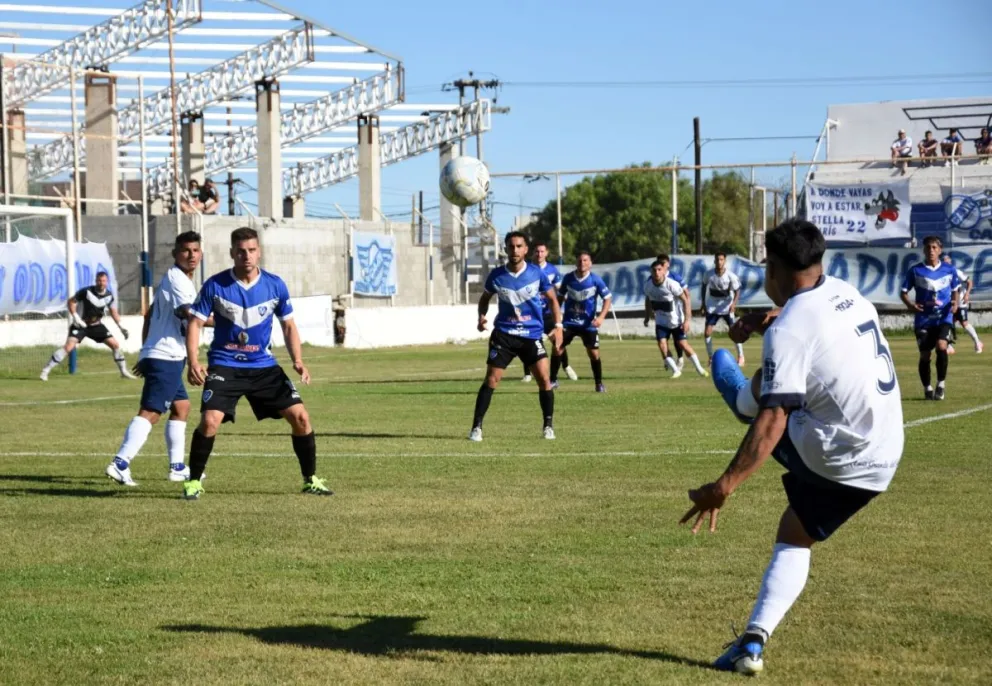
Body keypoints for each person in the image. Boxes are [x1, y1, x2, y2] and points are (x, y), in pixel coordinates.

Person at [682, 219, 903, 676]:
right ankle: (752, 643)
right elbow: (803, 324)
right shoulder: (845, 292)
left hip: (837, 455)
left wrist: (723, 486)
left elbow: (773, 422)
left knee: (762, 402)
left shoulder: (791, 330)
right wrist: (763, 321)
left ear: (776, 268)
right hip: (885, 452)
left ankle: (736, 393)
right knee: (795, 533)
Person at [181, 227, 332, 500]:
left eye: (251, 250)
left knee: (301, 417)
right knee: (210, 421)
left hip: (263, 366)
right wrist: (193, 360)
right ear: (232, 254)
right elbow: (195, 322)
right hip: (225, 364)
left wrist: (297, 360)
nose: (246, 256)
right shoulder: (215, 285)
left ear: (259, 252)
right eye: (240, 251)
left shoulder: (275, 285)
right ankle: (193, 481)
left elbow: (288, 325)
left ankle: (311, 479)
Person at [106, 232, 208, 487]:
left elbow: (149, 315)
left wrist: (145, 350)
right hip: (166, 356)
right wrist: (229, 321)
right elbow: (189, 313)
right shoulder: (179, 281)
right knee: (152, 411)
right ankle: (120, 463)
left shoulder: (176, 279)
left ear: (201, 253)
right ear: (175, 254)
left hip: (162, 353)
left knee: (181, 407)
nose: (191, 255)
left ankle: (176, 468)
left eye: (195, 250)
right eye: (185, 250)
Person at [470, 231, 563, 442]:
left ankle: (548, 426)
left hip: (531, 335)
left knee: (544, 380)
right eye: (511, 246)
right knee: (491, 380)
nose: (515, 250)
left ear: (525, 249)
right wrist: (481, 316)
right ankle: (476, 427)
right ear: (505, 248)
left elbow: (553, 301)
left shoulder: (536, 274)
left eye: (519, 246)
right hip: (504, 335)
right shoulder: (497, 275)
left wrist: (557, 326)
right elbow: (485, 298)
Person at [40, 271, 136, 381]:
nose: (101, 283)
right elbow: (71, 302)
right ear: (96, 281)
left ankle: (123, 372)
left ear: (107, 282)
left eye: (103, 281)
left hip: (96, 326)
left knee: (115, 345)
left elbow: (113, 311)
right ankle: (45, 371)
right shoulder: (86, 292)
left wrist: (121, 327)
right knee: (68, 347)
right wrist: (76, 317)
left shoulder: (109, 296)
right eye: (99, 280)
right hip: (80, 325)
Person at [900, 236, 960, 400]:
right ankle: (927, 387)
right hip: (924, 319)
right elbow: (903, 292)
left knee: (942, 346)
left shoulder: (949, 270)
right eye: (928, 247)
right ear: (923, 250)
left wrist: (955, 304)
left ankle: (941, 385)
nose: (931, 250)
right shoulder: (915, 270)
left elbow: (956, 289)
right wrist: (910, 306)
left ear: (940, 250)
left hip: (943, 317)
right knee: (925, 355)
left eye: (934, 247)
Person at [552, 251, 612, 392]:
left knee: (594, 354)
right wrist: (557, 318)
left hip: (588, 324)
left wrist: (601, 317)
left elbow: (607, 298)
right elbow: (559, 298)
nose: (582, 263)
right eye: (579, 260)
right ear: (576, 263)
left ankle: (598, 384)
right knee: (557, 348)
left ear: (590, 263)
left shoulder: (596, 280)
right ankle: (552, 380)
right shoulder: (568, 278)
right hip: (569, 323)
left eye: (585, 260)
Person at [642, 255, 708, 378]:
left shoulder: (671, 284)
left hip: (676, 321)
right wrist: (647, 316)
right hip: (661, 322)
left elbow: (685, 300)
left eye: (659, 270)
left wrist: (687, 320)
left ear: (664, 271)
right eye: (654, 270)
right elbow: (647, 299)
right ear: (651, 272)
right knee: (662, 345)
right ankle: (675, 371)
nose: (656, 272)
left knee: (683, 345)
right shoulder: (647, 285)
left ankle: (700, 369)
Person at [521, 241, 577, 383]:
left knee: (558, 341)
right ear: (532, 253)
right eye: (537, 251)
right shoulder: (526, 269)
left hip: (548, 315)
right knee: (527, 342)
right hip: (532, 314)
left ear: (546, 253)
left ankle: (566, 366)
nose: (539, 254)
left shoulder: (552, 270)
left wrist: (559, 309)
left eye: (542, 251)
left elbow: (560, 291)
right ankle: (527, 373)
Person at [701, 252, 746, 366]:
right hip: (713, 307)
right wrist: (703, 303)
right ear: (714, 261)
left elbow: (737, 291)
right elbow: (703, 286)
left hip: (727, 307)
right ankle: (711, 357)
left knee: (734, 332)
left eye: (721, 259)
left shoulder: (731, 276)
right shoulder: (709, 274)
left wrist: (733, 304)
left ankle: (740, 356)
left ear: (724, 261)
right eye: (717, 260)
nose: (719, 262)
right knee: (707, 332)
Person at [942, 254, 983, 354]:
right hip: (949, 302)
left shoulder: (956, 272)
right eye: (944, 262)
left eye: (948, 262)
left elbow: (970, 282)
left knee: (964, 323)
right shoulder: (941, 274)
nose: (946, 264)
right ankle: (949, 346)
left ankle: (977, 342)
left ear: (950, 262)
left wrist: (967, 294)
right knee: (947, 323)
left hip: (960, 302)